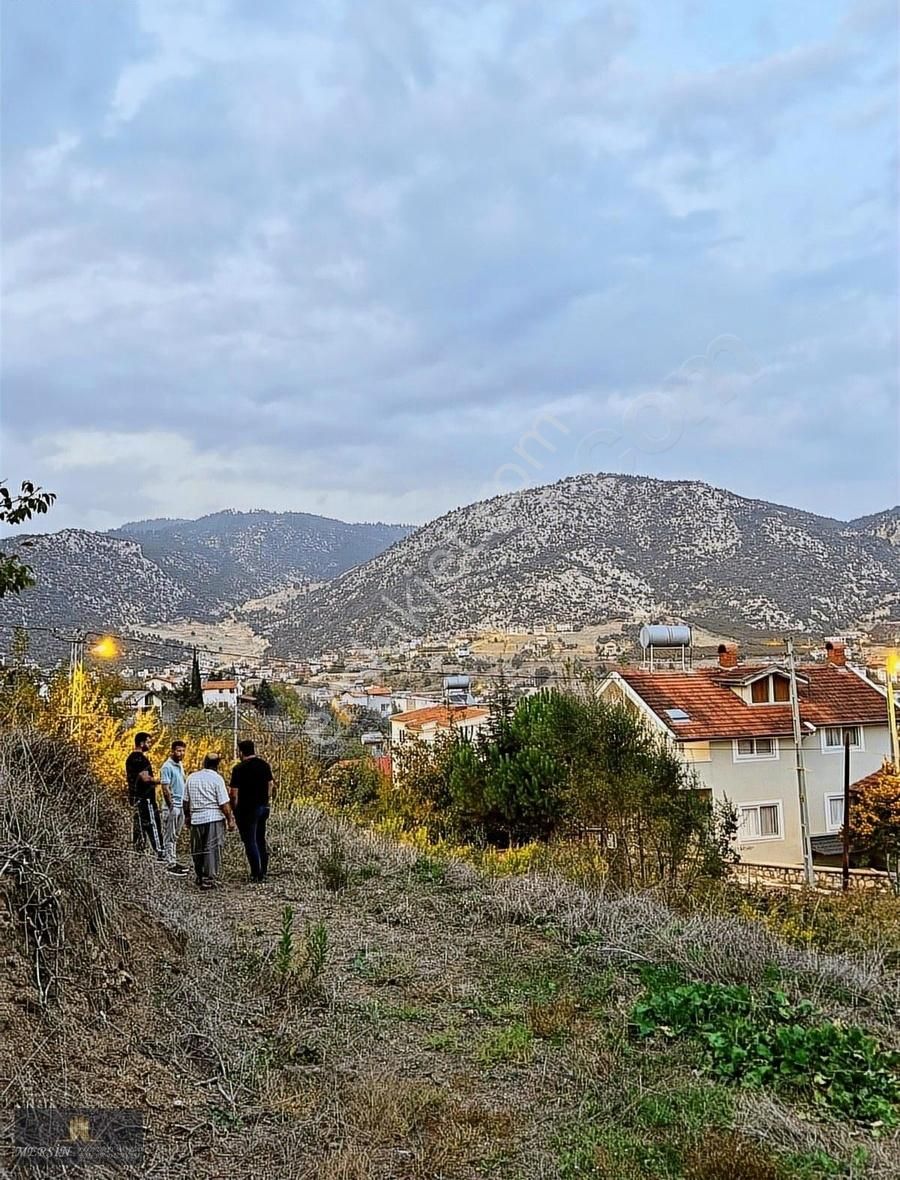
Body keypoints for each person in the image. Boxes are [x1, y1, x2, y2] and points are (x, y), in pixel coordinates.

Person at [184, 753, 235, 889]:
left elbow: (186, 801)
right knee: (212, 849)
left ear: (204, 763)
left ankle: (199, 876)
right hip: (214, 818)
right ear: (217, 765)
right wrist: (230, 819)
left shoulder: (191, 778)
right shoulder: (217, 779)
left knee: (197, 850)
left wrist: (187, 817)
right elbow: (224, 803)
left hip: (196, 818)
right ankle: (208, 879)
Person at [230, 739, 276, 884]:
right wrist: (266, 799)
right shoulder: (264, 765)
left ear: (241, 752)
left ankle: (256, 874)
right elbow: (270, 785)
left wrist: (234, 808)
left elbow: (233, 793)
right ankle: (264, 870)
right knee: (260, 839)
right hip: (263, 806)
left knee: (250, 841)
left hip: (247, 809)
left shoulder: (239, 769)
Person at [125, 732, 165, 862]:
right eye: (148, 742)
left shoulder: (131, 758)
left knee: (139, 827)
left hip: (136, 799)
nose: (150, 744)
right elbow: (145, 778)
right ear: (141, 743)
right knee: (153, 824)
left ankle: (138, 856)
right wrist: (161, 781)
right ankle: (160, 853)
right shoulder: (139, 759)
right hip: (145, 799)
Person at [159, 740, 190, 876]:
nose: (181, 753)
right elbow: (165, 788)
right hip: (172, 806)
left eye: (183, 751)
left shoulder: (180, 765)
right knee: (169, 835)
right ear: (172, 751)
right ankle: (169, 863)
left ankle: (173, 860)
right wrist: (171, 806)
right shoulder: (166, 767)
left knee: (175, 836)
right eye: (178, 751)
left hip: (181, 805)